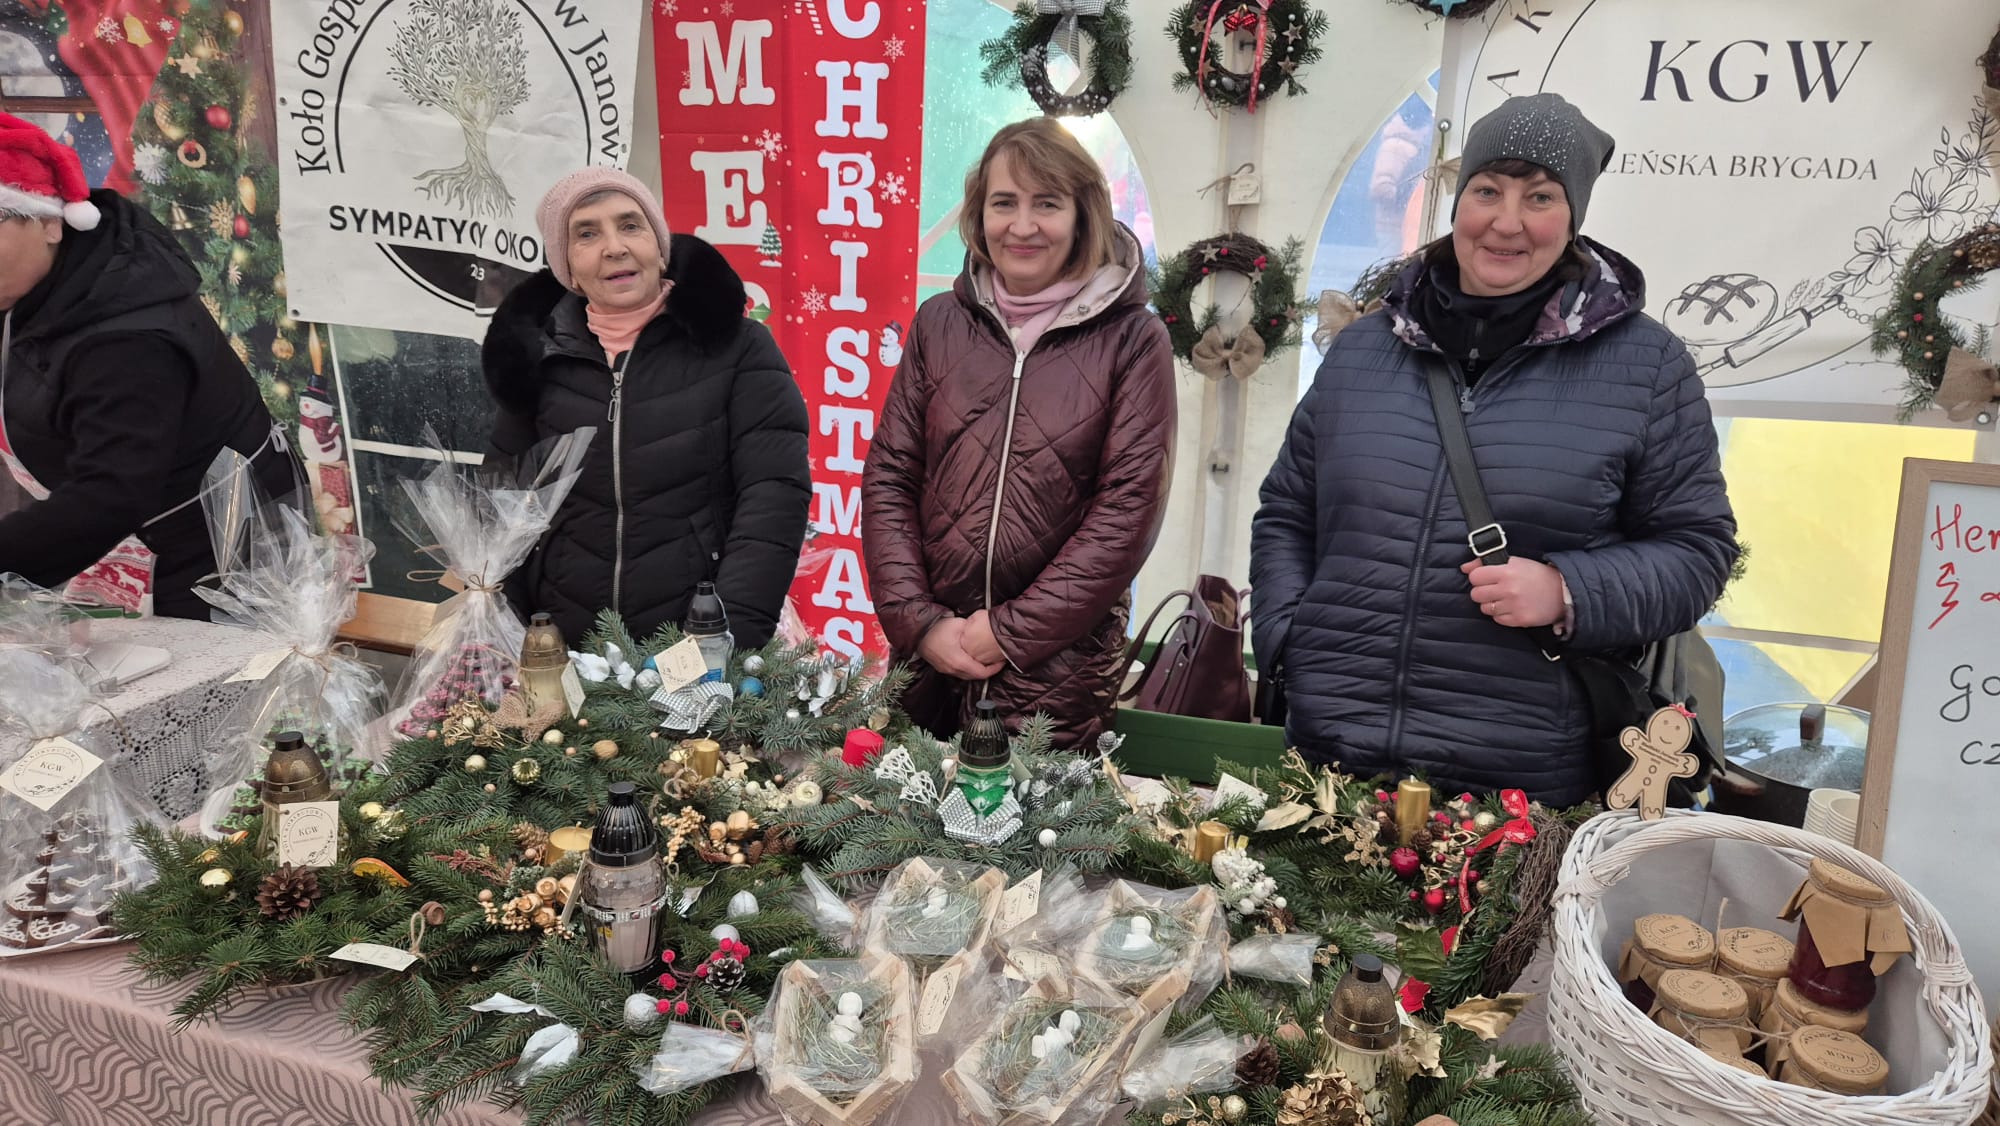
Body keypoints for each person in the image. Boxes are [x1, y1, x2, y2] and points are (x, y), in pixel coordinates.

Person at [1250, 94, 1738, 806]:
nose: (1506, 222)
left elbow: (1698, 551)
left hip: (1519, 792)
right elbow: (1288, 513)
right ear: (1459, 202)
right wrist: (1290, 639)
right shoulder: (1365, 350)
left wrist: (1568, 590)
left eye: (1539, 197)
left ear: (1572, 216)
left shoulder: (1646, 366)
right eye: (1487, 191)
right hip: (1331, 764)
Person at [863, 118, 1176, 747]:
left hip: (1056, 674)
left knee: (1031, 814)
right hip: (928, 662)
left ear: (1083, 214)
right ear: (979, 214)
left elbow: (1127, 511)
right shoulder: (939, 324)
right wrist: (921, 624)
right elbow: (891, 476)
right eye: (1004, 203)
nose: (1023, 226)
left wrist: (1008, 632)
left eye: (1047, 204)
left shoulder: (1133, 339)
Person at [482, 167, 809, 647]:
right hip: (566, 645)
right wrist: (511, 632)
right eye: (586, 234)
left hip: (699, 637)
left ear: (659, 245)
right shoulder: (536, 357)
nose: (614, 247)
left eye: (630, 225)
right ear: (566, 265)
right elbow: (502, 502)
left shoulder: (739, 348)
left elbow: (773, 496)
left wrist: (726, 637)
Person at [0, 112, 296, 618]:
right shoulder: (35, 281)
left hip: (211, 559)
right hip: (126, 538)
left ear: (49, 221)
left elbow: (110, 496)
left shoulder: (126, 339)